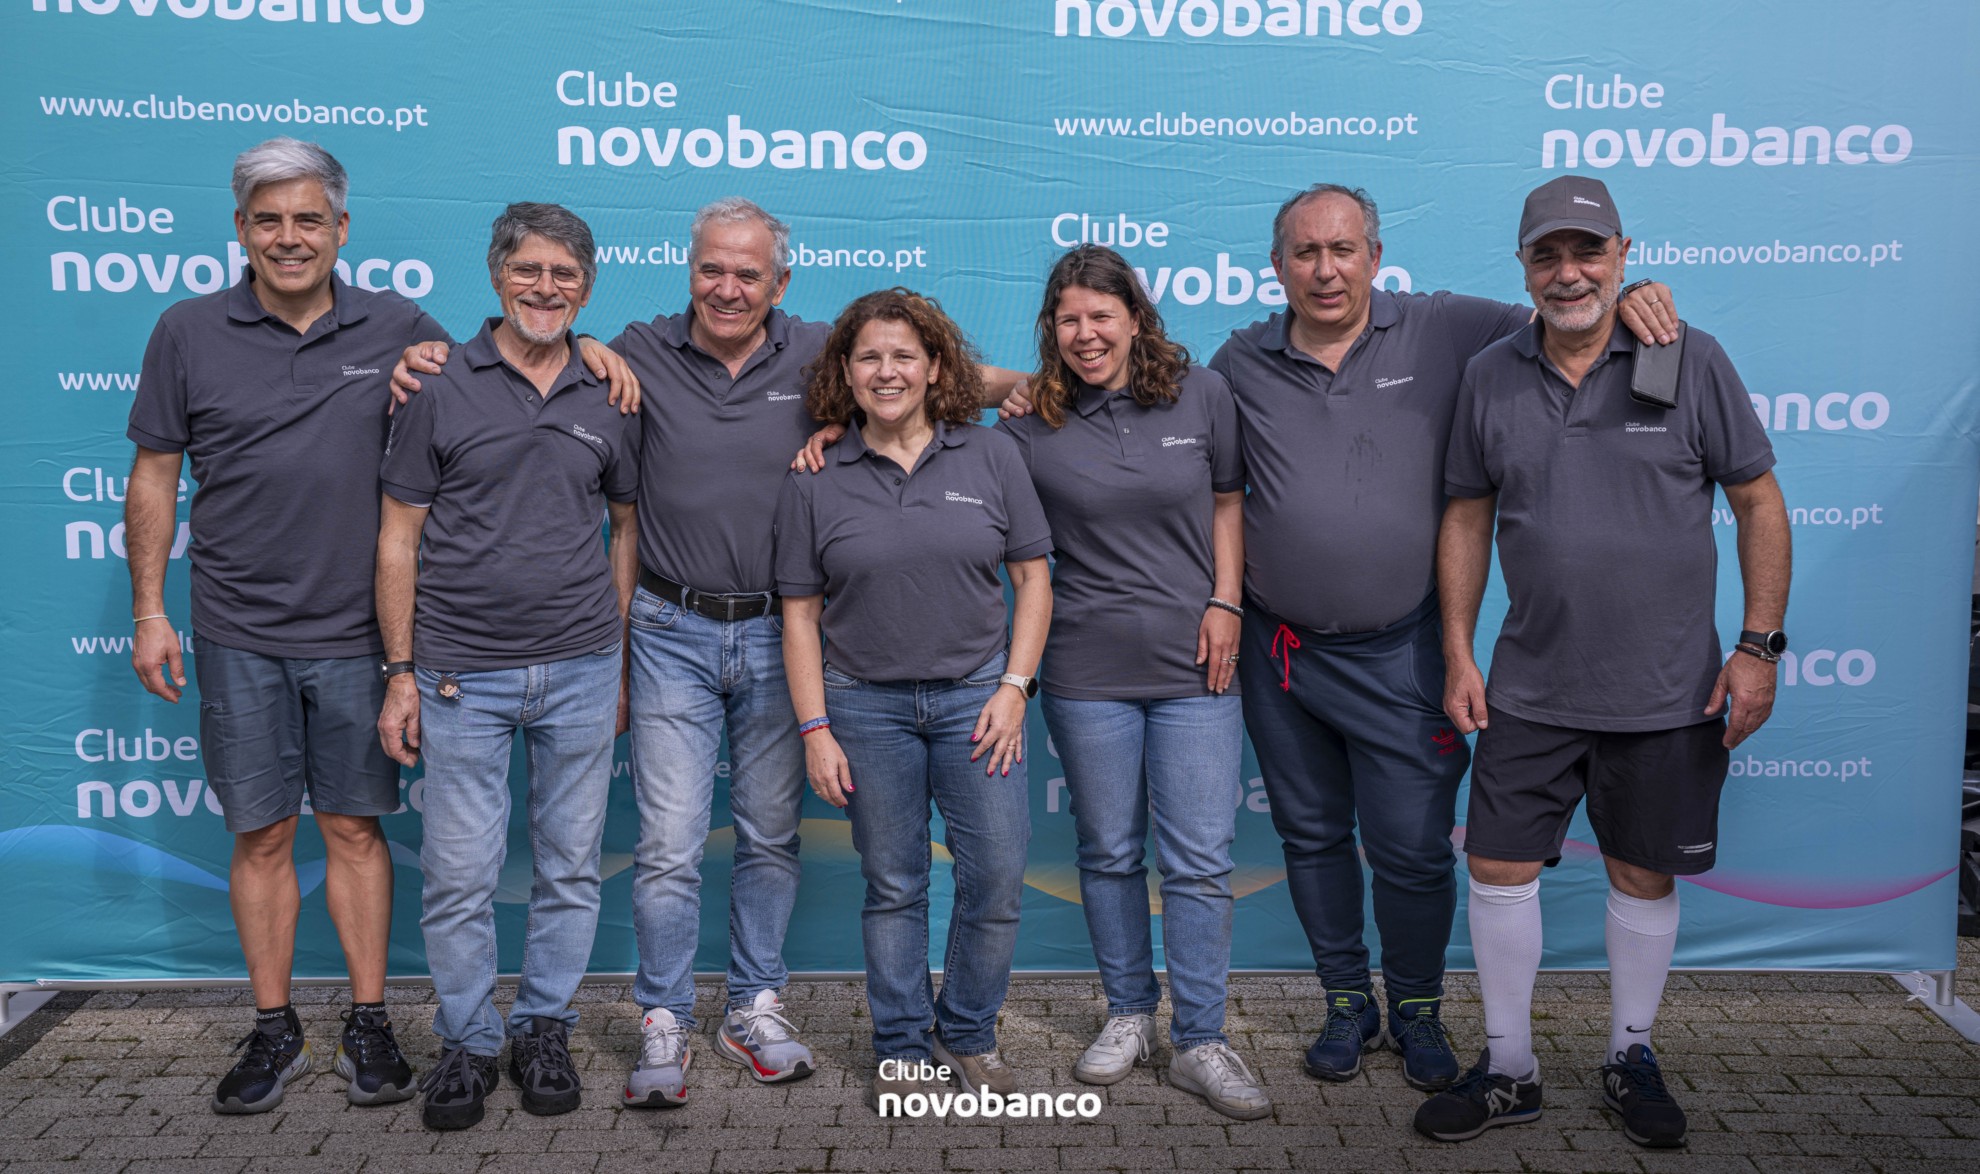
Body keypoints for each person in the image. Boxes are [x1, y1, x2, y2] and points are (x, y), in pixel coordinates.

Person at [400, 198, 1024, 1104]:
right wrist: (436, 357)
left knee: (769, 836)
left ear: (782, 282)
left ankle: (753, 1008)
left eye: (748, 273)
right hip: (669, 632)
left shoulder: (821, 352)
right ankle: (664, 1015)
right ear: (687, 269)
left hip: (780, 632)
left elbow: (940, 376)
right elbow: (540, 348)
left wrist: (1049, 386)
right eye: (711, 270)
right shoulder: (631, 352)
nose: (728, 289)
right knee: (668, 843)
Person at [1203, 183, 1680, 1090]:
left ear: (1376, 258)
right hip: (1282, 654)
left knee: (1412, 849)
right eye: (1306, 253)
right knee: (1310, 837)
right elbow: (1178, 437)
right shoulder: (1240, 360)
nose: (1326, 270)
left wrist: (1639, 295)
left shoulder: (1448, 327)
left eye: (1343, 249)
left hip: (1402, 653)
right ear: (1278, 266)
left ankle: (1418, 1009)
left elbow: (1567, 314)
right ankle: (1347, 1003)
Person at [1417, 175, 1789, 1148]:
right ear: (1523, 268)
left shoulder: (1687, 357)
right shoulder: (1491, 374)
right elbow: (1467, 514)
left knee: (1642, 873)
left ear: (1624, 256)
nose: (1569, 272)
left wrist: (1758, 646)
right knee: (1497, 865)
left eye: (1589, 251)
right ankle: (1510, 1068)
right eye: (1547, 254)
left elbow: (1758, 500)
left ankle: (1631, 1054)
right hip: (1530, 685)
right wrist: (1458, 649)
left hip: (1667, 689)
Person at [123, 137, 440, 1115]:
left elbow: (508, 373)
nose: (289, 237)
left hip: (360, 637)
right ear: (240, 230)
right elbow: (155, 477)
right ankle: (273, 1029)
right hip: (237, 630)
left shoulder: (400, 326)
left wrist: (592, 351)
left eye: (308, 219)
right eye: (269, 220)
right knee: (260, 835)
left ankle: (369, 1023)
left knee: (352, 828)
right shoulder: (186, 331)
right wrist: (149, 611)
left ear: (342, 227)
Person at [374, 203, 640, 1131]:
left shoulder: (610, 392)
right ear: (496, 276)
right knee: (459, 874)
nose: (545, 288)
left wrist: (617, 659)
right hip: (460, 673)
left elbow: (626, 530)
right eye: (528, 269)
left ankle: (543, 1029)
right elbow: (398, 537)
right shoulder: (437, 383)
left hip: (581, 667)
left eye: (564, 274)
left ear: (587, 288)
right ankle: (468, 1042)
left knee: (570, 868)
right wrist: (400, 671)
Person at [995, 245, 1266, 1119]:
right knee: (1109, 852)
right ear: (1051, 328)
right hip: (1085, 669)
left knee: (1199, 860)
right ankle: (1128, 1014)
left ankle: (1201, 1039)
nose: (1086, 334)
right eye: (1068, 319)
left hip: (1196, 664)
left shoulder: (1202, 394)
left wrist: (1226, 600)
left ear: (1137, 318)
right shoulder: (1031, 421)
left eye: (1101, 316)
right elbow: (914, 385)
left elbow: (1229, 503)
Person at [773, 288, 1052, 1111]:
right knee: (893, 885)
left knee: (996, 876)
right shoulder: (815, 476)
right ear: (845, 372)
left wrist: (1014, 688)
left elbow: (1034, 580)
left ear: (935, 368)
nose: (887, 371)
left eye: (904, 356)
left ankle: (967, 1031)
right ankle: (900, 1046)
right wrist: (815, 728)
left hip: (977, 702)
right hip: (864, 709)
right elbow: (799, 615)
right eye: (869, 357)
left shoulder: (992, 455)